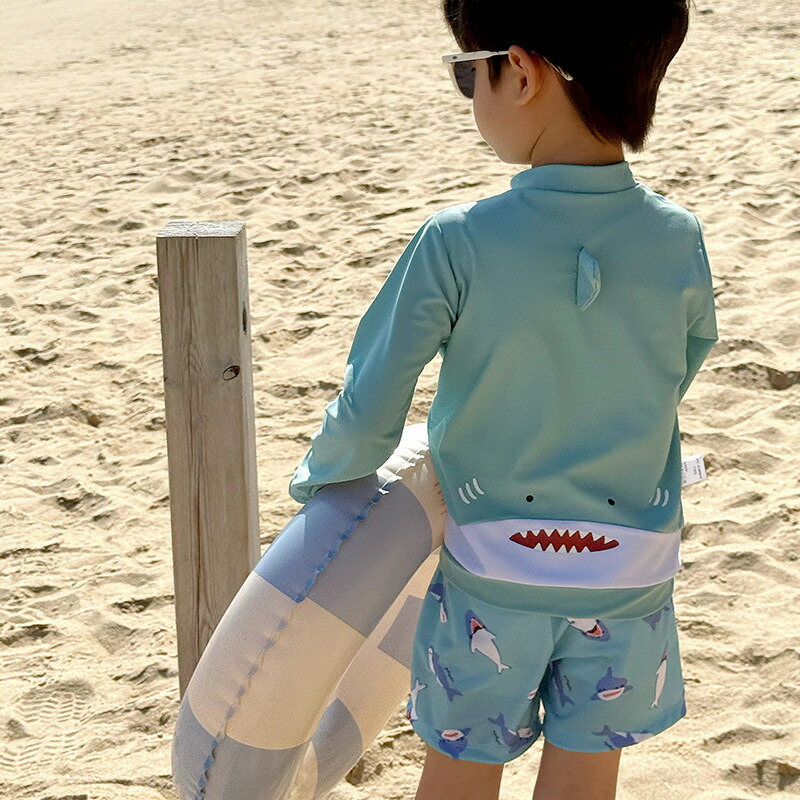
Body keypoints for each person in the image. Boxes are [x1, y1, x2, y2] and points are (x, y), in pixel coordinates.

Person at [288, 0, 718, 797]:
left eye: (468, 75)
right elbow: (676, 368)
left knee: (461, 770)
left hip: (494, 573)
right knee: (586, 775)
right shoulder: (678, 237)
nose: (469, 95)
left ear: (519, 72)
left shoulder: (458, 240)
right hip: (631, 575)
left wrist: (320, 481)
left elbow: (371, 403)